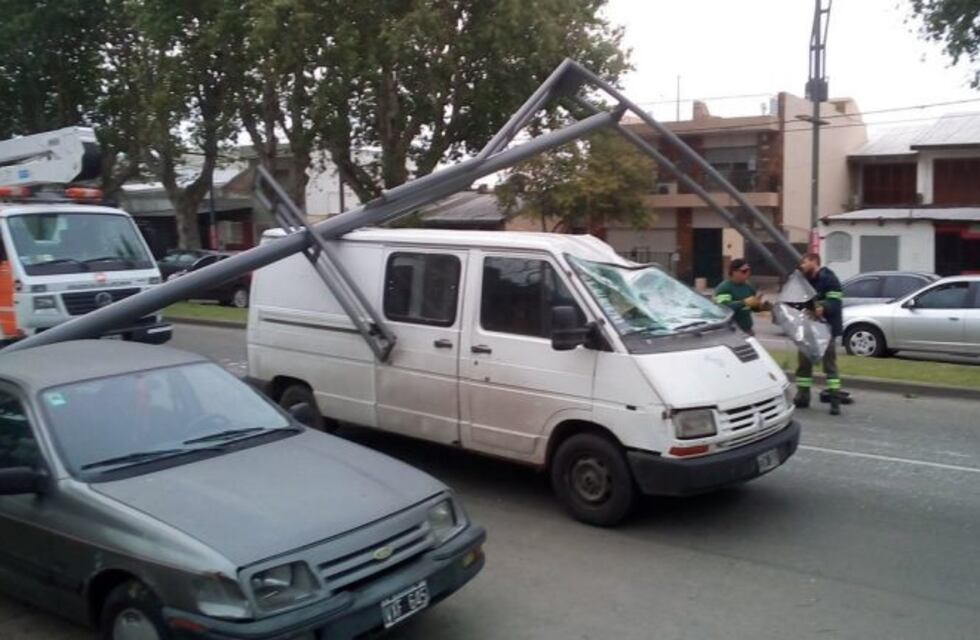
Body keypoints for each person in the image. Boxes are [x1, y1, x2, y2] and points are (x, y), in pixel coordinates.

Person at [794, 252, 844, 416]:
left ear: (814, 261)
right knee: (804, 364)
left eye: (805, 262)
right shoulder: (804, 279)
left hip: (826, 329)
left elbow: (835, 302)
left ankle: (835, 401)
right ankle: (803, 396)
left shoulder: (829, 278)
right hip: (808, 329)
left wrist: (823, 307)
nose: (802, 265)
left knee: (829, 366)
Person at [713, 258, 762, 335]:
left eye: (748, 270)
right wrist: (743, 302)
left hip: (747, 329)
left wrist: (756, 302)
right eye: (744, 271)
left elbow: (752, 308)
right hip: (731, 331)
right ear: (734, 272)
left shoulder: (749, 286)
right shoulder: (724, 287)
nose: (747, 273)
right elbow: (723, 307)